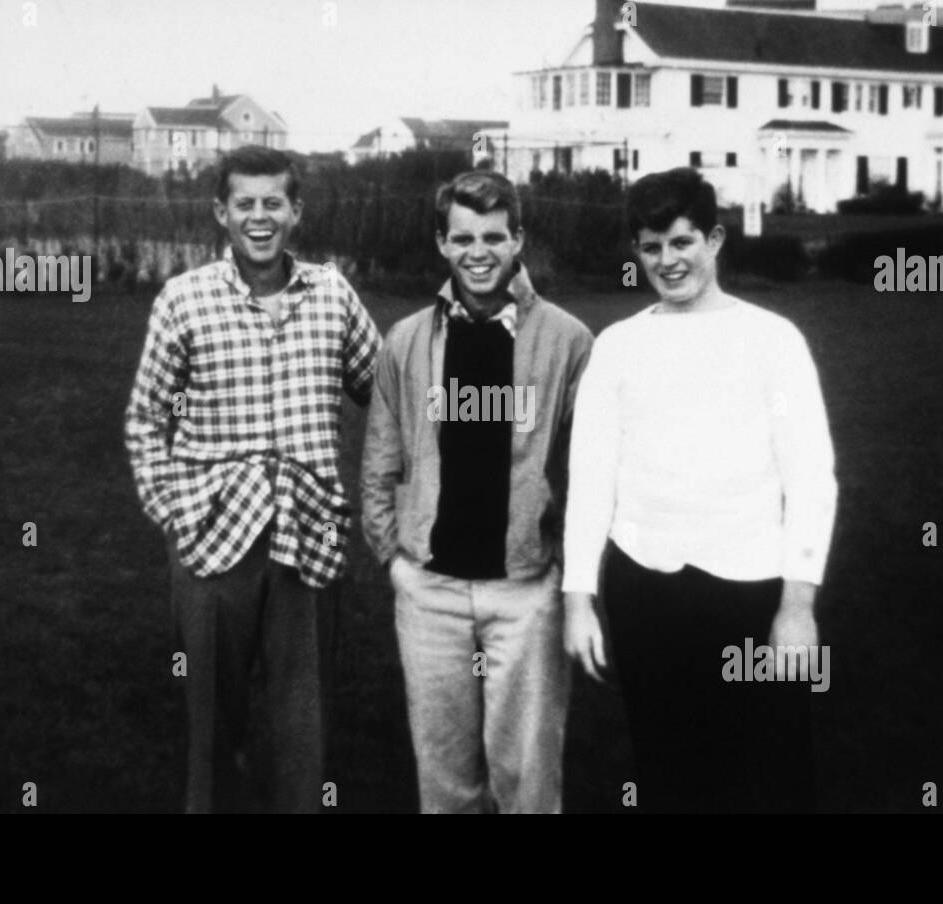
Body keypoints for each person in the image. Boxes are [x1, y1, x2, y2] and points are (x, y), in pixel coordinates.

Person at [561, 167, 837, 813]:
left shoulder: (773, 339)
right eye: (652, 248)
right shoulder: (618, 346)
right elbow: (591, 478)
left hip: (749, 588)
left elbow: (811, 477)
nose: (668, 261)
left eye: (682, 243)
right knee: (670, 772)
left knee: (770, 775)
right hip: (645, 589)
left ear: (714, 239)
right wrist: (578, 599)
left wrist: (797, 607)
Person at [124, 145, 381, 813]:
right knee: (213, 725)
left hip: (308, 539)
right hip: (212, 543)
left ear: (296, 211)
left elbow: (386, 396)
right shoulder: (184, 300)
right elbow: (146, 417)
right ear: (221, 212)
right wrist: (174, 514)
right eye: (245, 204)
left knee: (306, 726)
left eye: (274, 203)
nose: (259, 218)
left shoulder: (332, 295)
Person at [361, 170, 594, 813]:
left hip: (524, 593)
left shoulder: (568, 340)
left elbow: (589, 474)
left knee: (526, 777)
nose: (479, 252)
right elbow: (380, 460)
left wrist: (564, 576)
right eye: (462, 237)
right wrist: (396, 561)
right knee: (445, 780)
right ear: (441, 243)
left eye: (494, 236)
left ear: (518, 238)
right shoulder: (406, 340)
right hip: (429, 592)